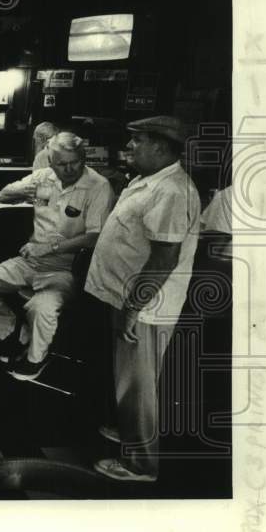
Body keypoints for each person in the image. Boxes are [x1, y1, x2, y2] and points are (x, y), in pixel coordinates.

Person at [85, 116, 200, 483]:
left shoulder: (172, 190)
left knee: (139, 385)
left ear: (162, 148)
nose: (129, 146)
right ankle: (129, 431)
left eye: (138, 141)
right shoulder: (146, 181)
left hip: (147, 307)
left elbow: (164, 256)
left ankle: (141, 464)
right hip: (127, 297)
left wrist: (134, 307)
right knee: (127, 381)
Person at [0, 132, 115, 380]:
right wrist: (21, 193)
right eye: (61, 164)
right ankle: (17, 334)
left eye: (75, 161)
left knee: (41, 308)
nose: (69, 168)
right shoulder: (42, 178)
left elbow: (94, 237)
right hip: (30, 261)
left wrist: (49, 248)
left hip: (67, 268)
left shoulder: (98, 186)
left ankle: (35, 359)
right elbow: (2, 194)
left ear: (83, 158)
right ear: (50, 162)